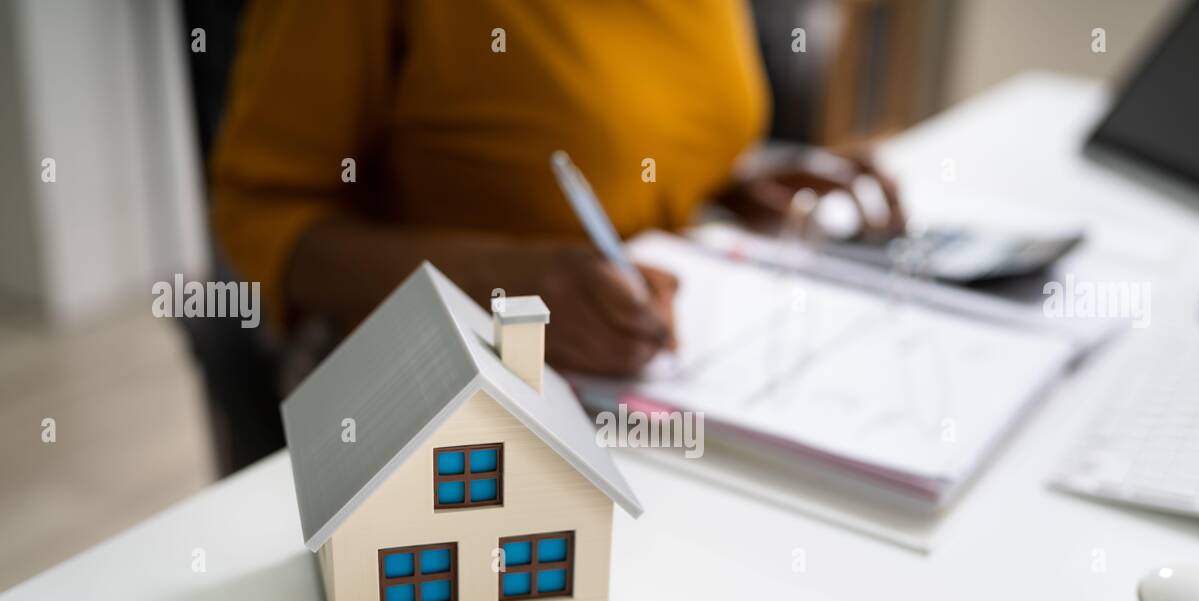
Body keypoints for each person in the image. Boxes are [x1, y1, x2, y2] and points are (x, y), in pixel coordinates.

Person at [212, 0, 901, 379]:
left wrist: (733, 184)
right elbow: (259, 215)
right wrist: (501, 288)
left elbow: (632, 128)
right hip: (467, 402)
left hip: (661, 387)